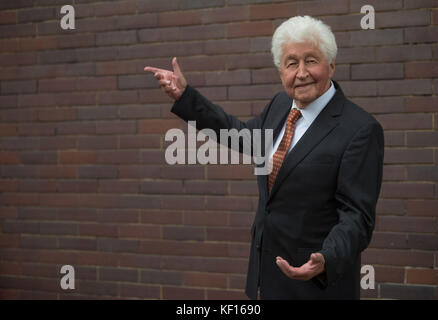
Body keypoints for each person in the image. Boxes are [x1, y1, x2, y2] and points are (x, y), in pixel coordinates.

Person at [145, 15, 384, 300]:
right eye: (291, 63)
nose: (301, 72)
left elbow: (357, 217)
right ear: (280, 70)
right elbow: (240, 134)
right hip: (268, 278)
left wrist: (327, 258)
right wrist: (186, 97)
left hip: (317, 285)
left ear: (331, 64)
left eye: (311, 60)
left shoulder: (360, 130)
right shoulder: (281, 104)